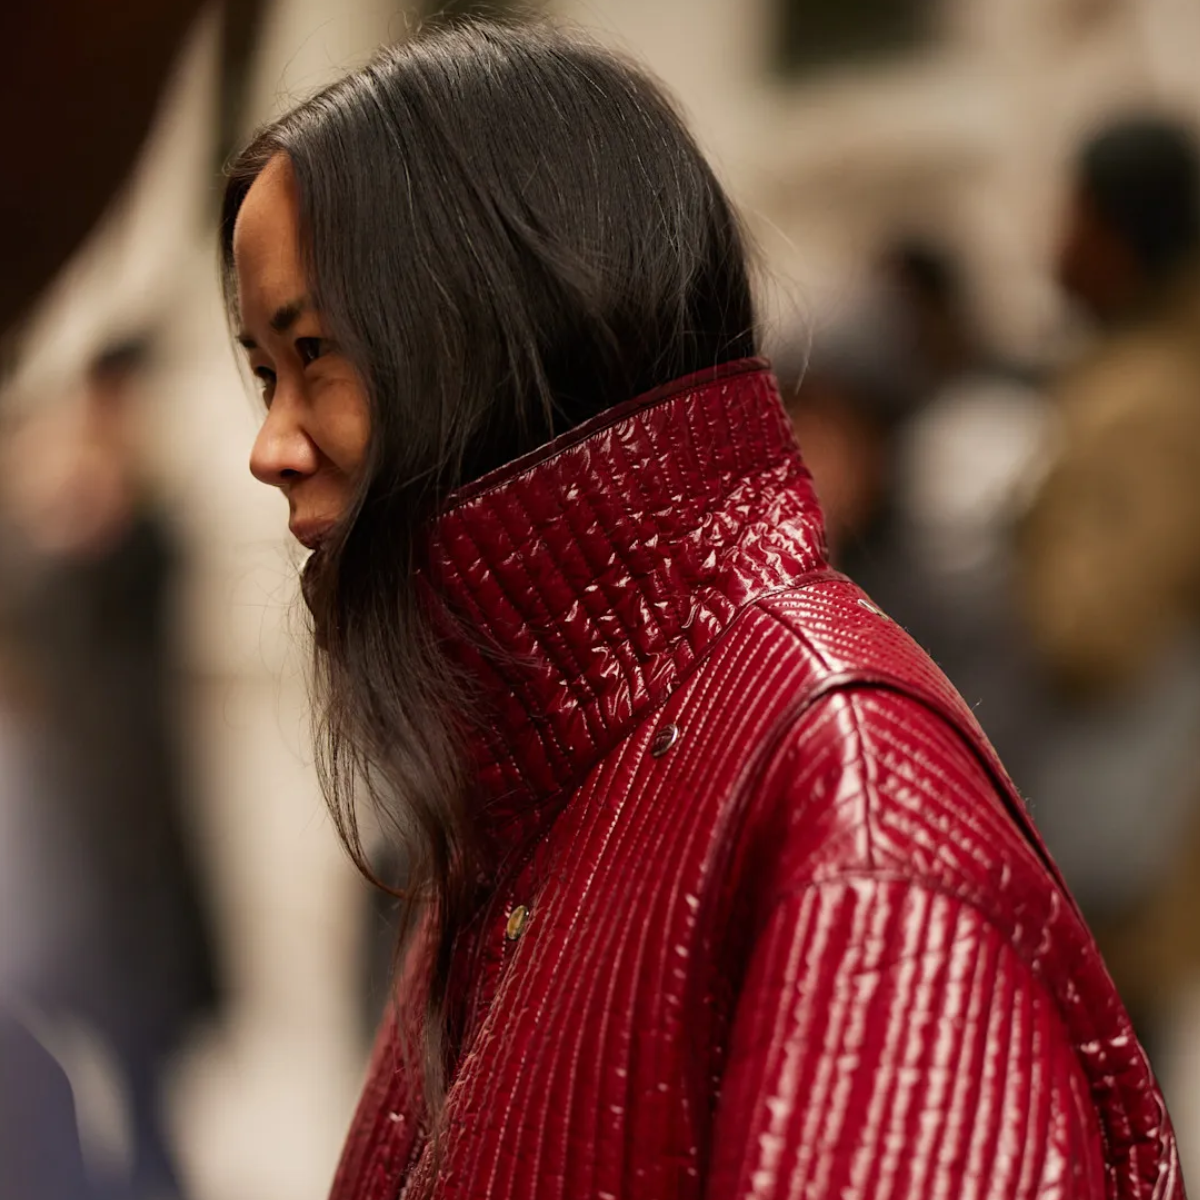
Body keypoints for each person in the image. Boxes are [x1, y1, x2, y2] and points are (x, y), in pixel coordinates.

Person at [222, 22, 1182, 1199]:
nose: (270, 446)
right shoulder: (523, 781)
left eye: (316, 352)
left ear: (494, 333)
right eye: (265, 370)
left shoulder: (850, 800)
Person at [1019, 115, 1200, 1055]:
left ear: (1116, 232)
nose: (1054, 242)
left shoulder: (1143, 402)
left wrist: (1022, 536)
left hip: (1132, 875)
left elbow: (1090, 630)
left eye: (1073, 214)